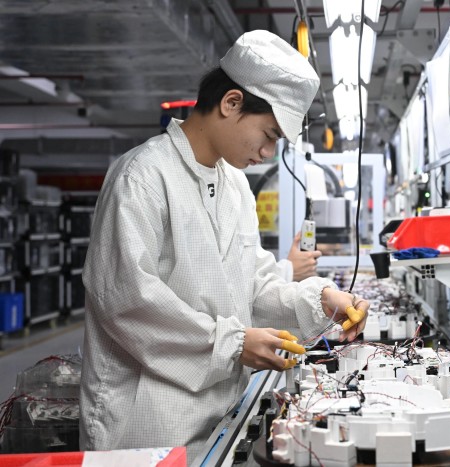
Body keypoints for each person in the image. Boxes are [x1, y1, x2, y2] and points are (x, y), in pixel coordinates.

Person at [79, 30, 369, 461]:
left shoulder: (234, 185)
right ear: (231, 103)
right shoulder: (142, 177)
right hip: (146, 427)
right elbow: (128, 302)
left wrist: (320, 299)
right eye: (268, 134)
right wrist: (233, 344)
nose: (269, 153)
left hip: (219, 417)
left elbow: (252, 284)